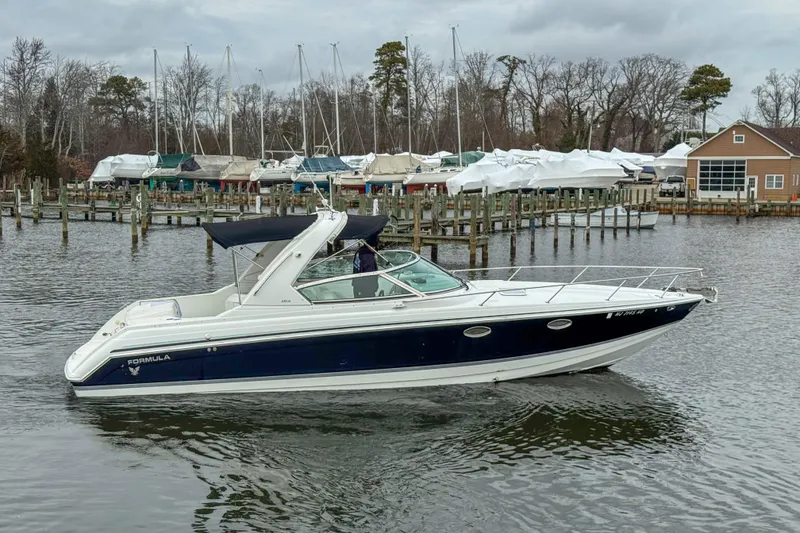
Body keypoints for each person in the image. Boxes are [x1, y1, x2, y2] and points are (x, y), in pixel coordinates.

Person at [352, 233, 379, 298]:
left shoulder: (359, 252)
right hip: (366, 291)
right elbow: (371, 273)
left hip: (357, 287)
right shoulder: (368, 257)